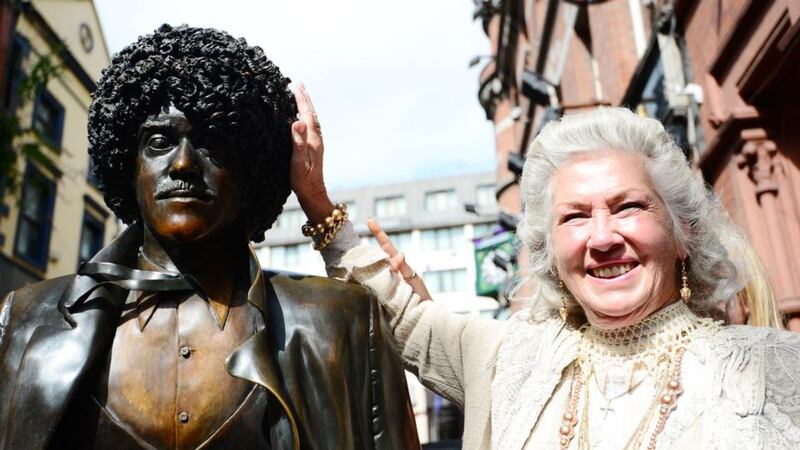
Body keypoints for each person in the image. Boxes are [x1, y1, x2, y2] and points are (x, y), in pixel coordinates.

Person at [0, 25, 419, 450]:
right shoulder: (24, 320)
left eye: (212, 143)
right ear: (128, 164)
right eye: (160, 141)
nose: (183, 163)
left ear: (251, 168)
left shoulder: (341, 321)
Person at [292, 103, 800, 449]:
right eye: (574, 216)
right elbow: (406, 320)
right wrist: (316, 199)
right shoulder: (509, 359)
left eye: (627, 207)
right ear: (550, 250)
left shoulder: (776, 368)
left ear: (682, 231)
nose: (602, 238)